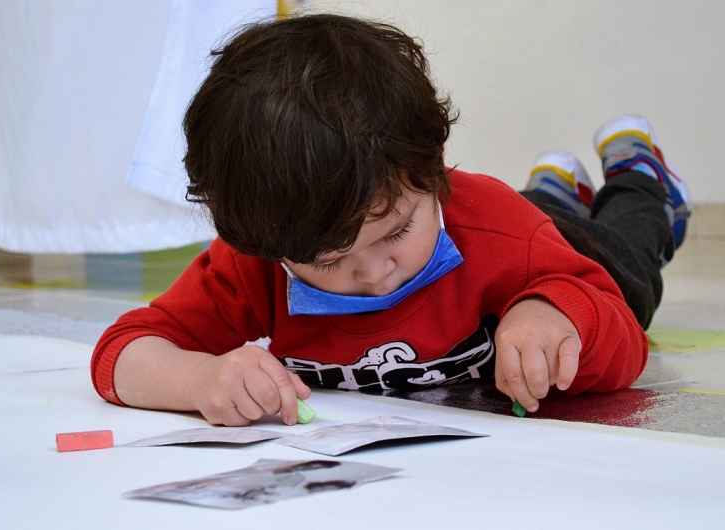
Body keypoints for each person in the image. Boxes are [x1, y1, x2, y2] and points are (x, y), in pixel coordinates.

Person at [90, 13, 691, 427]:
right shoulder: (259, 258)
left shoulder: (497, 232)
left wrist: (552, 312)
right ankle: (552, 188)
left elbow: (623, 343)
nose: (376, 272)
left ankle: (638, 173)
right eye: (329, 261)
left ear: (433, 173)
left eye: (397, 232)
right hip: (523, 223)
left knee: (634, 258)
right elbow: (120, 354)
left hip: (557, 241)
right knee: (543, 212)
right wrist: (196, 380)